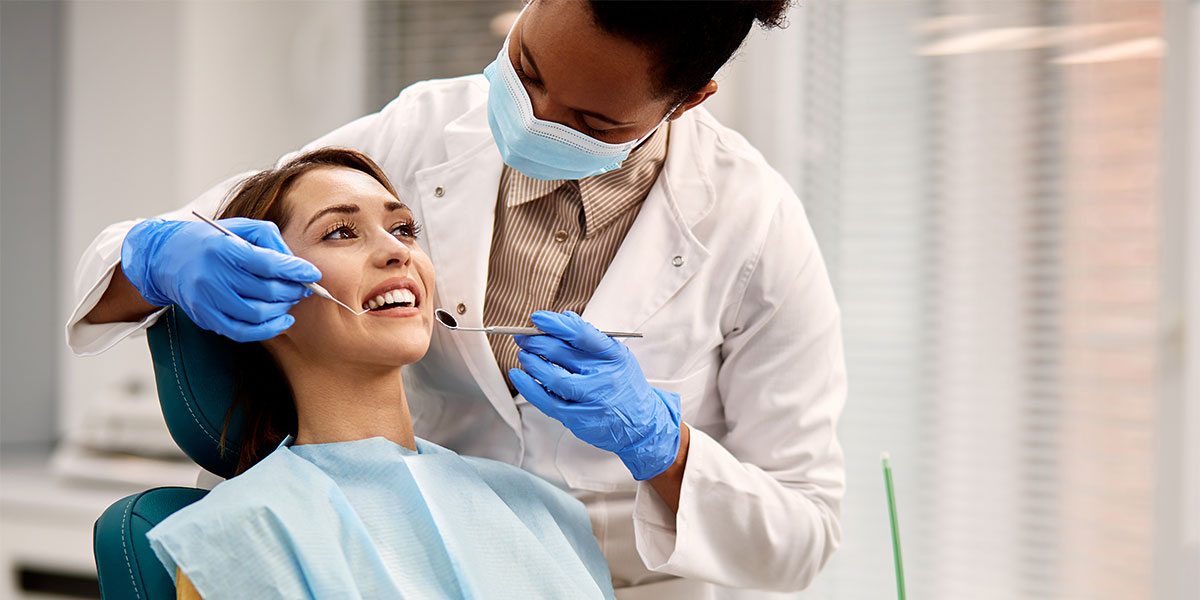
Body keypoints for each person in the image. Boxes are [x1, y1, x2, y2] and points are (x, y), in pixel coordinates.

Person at [70, 1, 847, 596]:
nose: (534, 119)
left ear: (689, 100)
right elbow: (170, 245)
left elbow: (803, 532)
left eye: (589, 120)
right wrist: (159, 256)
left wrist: (662, 449)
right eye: (529, 71)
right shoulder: (417, 132)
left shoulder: (754, 224)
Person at [145, 147, 616, 600]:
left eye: (405, 228)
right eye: (341, 233)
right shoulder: (239, 538)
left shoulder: (542, 510)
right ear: (258, 293)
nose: (397, 251)